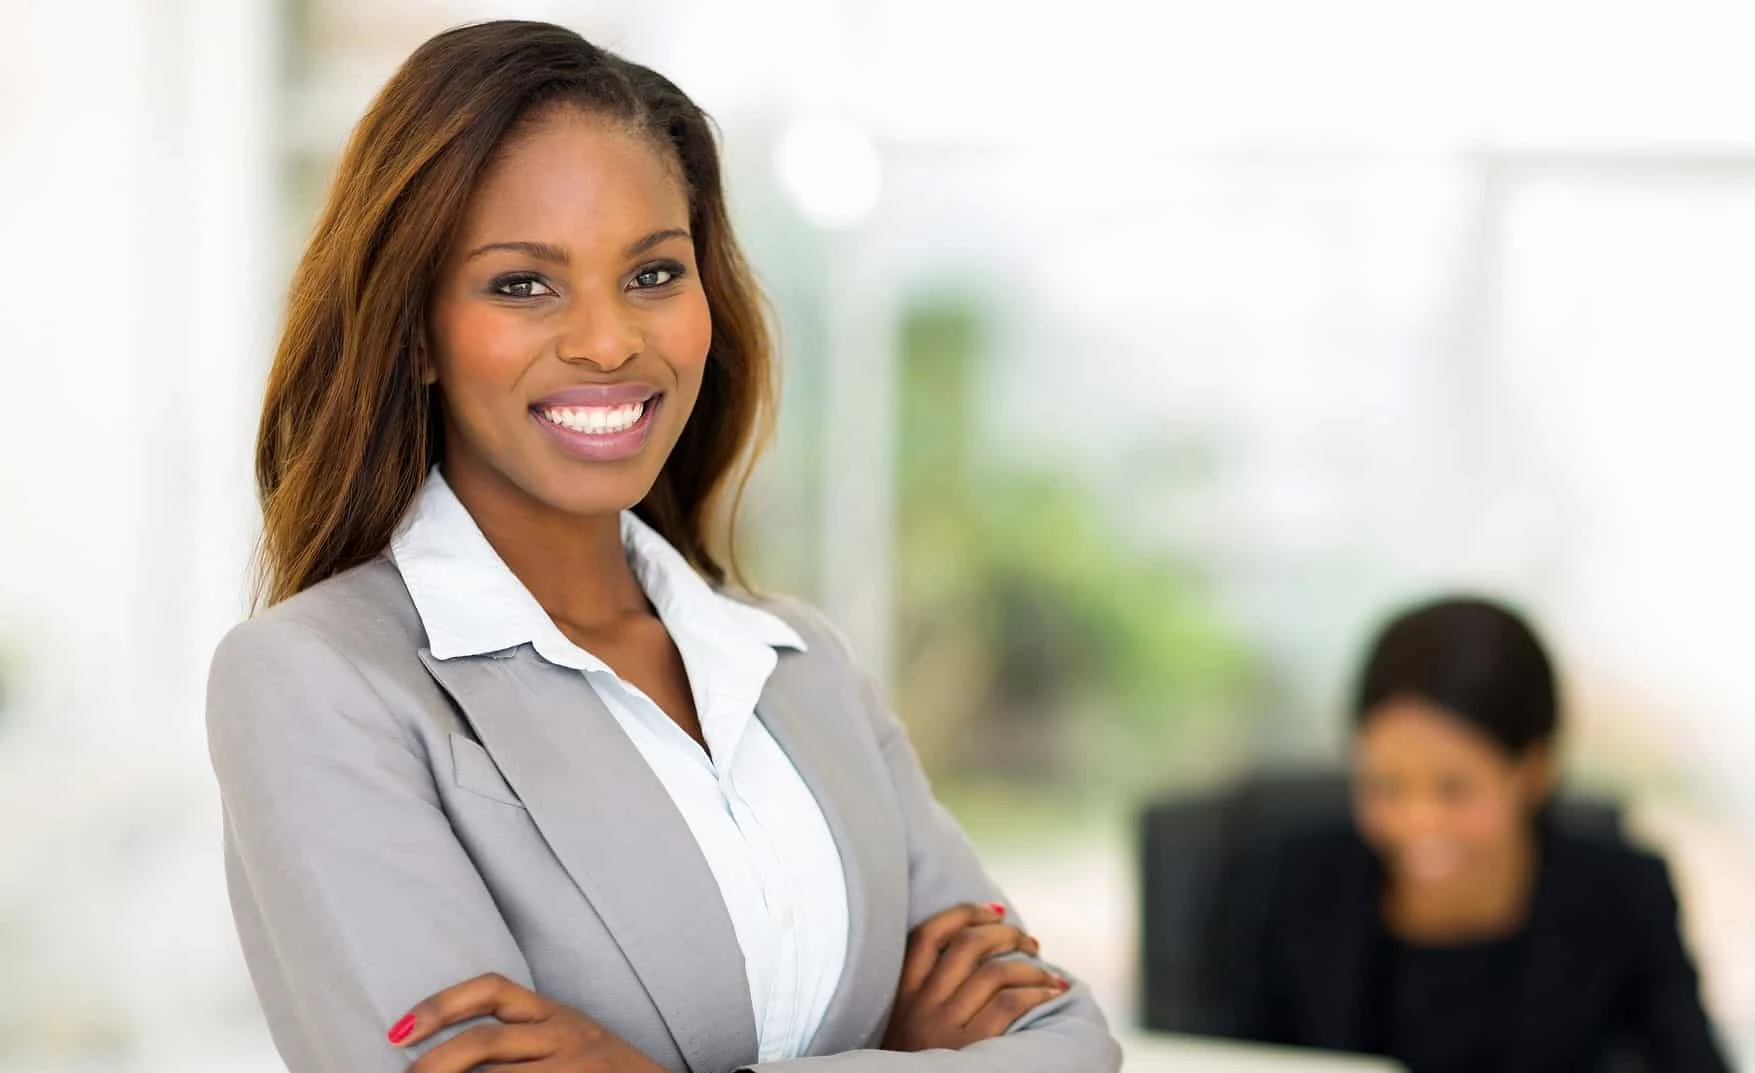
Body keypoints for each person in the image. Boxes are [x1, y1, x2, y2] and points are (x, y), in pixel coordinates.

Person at [205, 21, 1119, 1073]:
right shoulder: (316, 682)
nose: (608, 340)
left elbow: (1070, 1046)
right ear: (413, 332)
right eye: (522, 284)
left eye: (651, 274)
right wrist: (899, 1049)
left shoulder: (798, 664)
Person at [1205, 596, 1733, 1073]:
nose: (1418, 823)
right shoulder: (1279, 881)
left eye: (1453, 790)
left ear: (1532, 771)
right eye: (1386, 786)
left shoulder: (1624, 895)